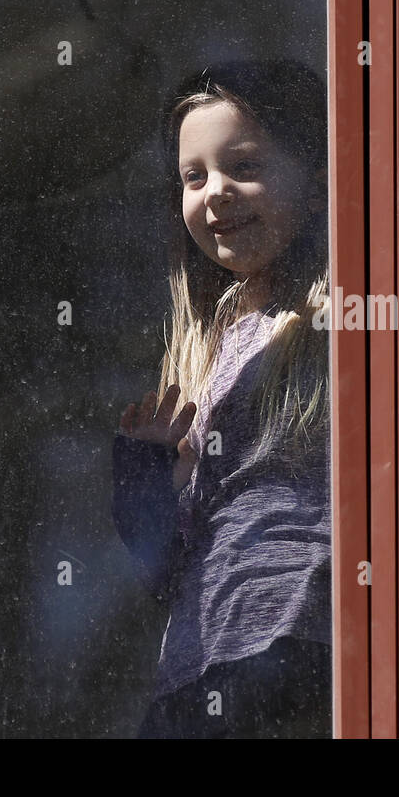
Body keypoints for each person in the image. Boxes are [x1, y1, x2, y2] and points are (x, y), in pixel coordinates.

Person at [111, 59, 332, 738]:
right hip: (195, 663)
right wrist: (147, 484)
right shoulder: (206, 347)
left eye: (244, 165)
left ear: (319, 175)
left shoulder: (337, 309)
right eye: (194, 176)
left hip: (300, 647)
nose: (216, 193)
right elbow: (165, 568)